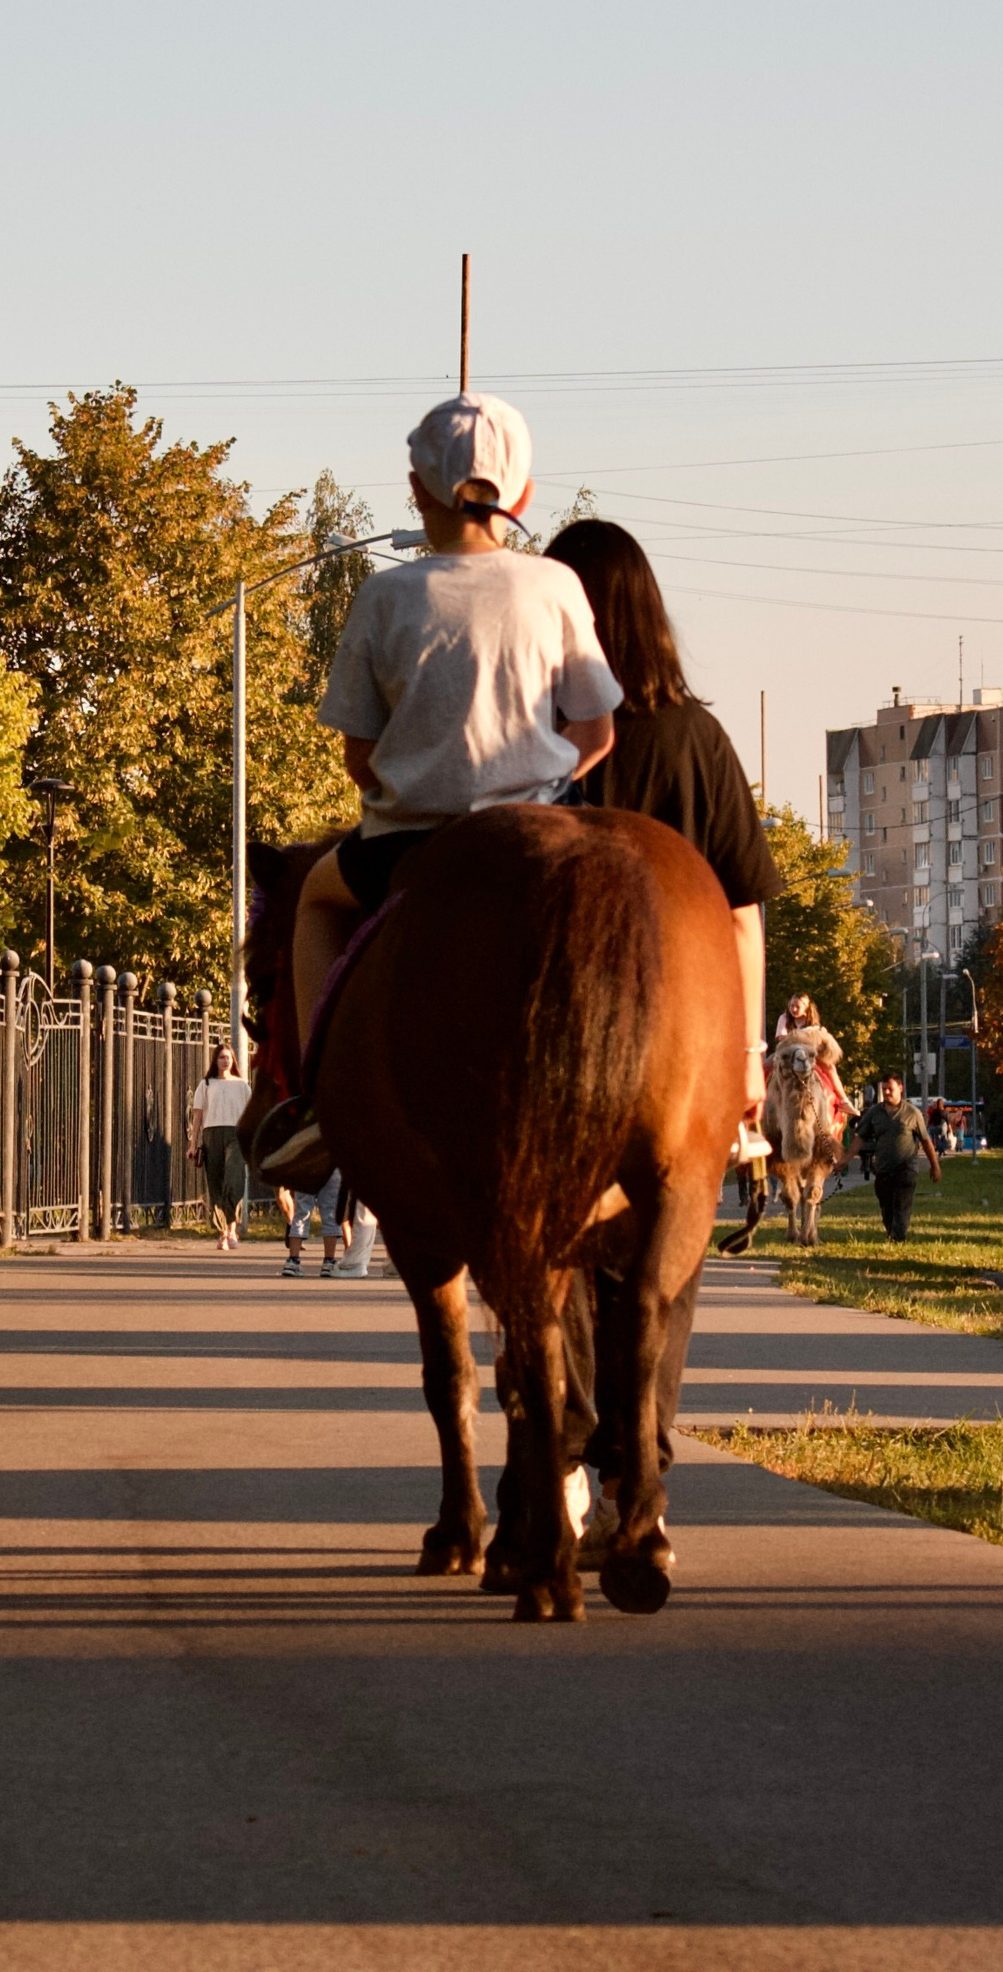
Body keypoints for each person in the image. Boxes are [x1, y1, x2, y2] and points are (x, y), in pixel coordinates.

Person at [260, 392, 621, 1183]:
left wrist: (417, 775)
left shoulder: (384, 597)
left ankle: (318, 1105)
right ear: (523, 494)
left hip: (409, 846)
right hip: (537, 833)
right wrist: (539, 781)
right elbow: (598, 734)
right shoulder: (556, 585)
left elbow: (360, 755)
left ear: (417, 491)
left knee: (313, 900)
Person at [539, 517, 783, 1542]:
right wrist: (747, 1058)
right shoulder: (697, 741)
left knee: (556, 1244)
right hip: (685, 1042)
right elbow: (740, 915)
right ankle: (640, 1476)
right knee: (666, 1260)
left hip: (555, 1024)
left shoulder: (538, 740)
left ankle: (564, 1460)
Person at [184, 1044, 252, 1250]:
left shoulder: (242, 1085)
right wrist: (193, 1144)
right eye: (221, 1057)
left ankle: (233, 1228)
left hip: (236, 1135)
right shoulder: (206, 1084)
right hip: (212, 1134)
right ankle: (224, 1233)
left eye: (228, 1057)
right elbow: (197, 1116)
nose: (225, 1061)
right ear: (215, 1060)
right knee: (216, 1183)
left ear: (233, 1060)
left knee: (233, 1180)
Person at [859, 1076, 942, 1240]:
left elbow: (926, 1140)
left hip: (906, 1166)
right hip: (883, 1167)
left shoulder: (912, 1112)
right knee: (886, 1205)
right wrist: (845, 1159)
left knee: (902, 1203)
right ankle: (892, 1231)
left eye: (890, 1089)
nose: (886, 1092)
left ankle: (898, 1237)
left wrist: (935, 1166)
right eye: (884, 1089)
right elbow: (859, 1137)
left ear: (900, 1088)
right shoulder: (874, 1113)